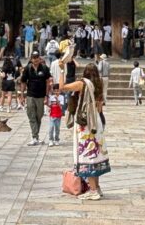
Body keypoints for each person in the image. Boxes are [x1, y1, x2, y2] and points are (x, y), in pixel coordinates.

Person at [60, 62, 110, 200]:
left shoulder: (83, 84)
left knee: (88, 155)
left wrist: (61, 70)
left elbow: (62, 87)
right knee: (95, 154)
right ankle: (97, 188)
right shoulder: (98, 87)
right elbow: (100, 109)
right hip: (97, 122)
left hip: (86, 123)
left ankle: (93, 190)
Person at [21, 50, 52, 146]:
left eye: (37, 57)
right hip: (30, 95)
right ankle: (34, 137)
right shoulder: (27, 68)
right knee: (31, 116)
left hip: (41, 96)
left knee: (39, 116)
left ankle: (36, 136)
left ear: (39, 58)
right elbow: (23, 82)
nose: (35, 59)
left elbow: (48, 82)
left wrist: (47, 95)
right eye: (33, 58)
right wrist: (22, 95)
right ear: (31, 59)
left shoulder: (44, 68)